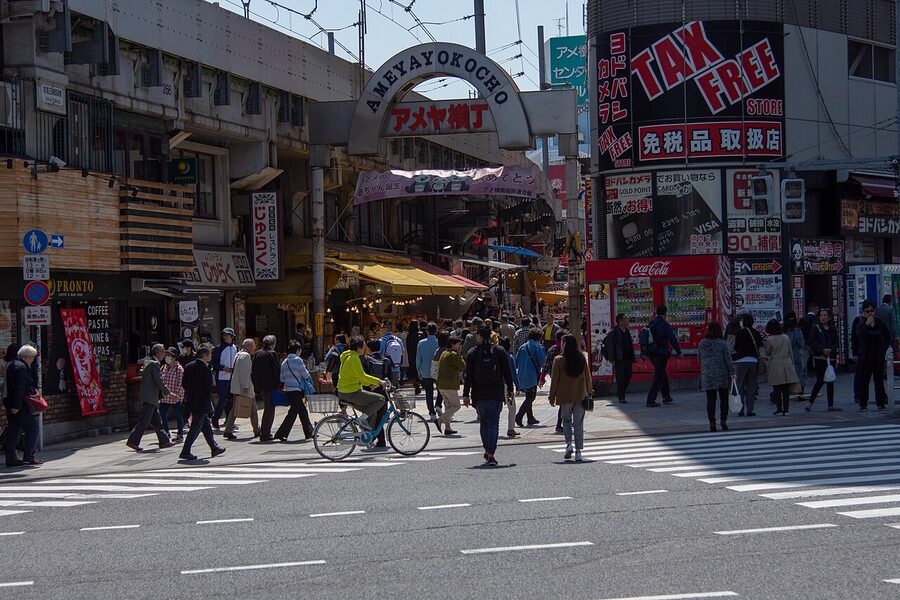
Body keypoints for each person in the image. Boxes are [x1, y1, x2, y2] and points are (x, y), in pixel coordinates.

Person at [465, 326, 514, 467]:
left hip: (479, 393)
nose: (476, 337)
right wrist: (510, 388)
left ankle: (487, 449)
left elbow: (469, 376)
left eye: (477, 335)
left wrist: (466, 394)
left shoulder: (472, 353)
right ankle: (491, 452)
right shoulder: (499, 350)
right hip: (496, 391)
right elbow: (507, 371)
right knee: (494, 423)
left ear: (481, 336)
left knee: (484, 423)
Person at [548, 334, 592, 461]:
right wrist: (589, 391)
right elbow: (587, 377)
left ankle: (568, 445)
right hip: (580, 394)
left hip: (565, 395)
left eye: (562, 342)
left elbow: (555, 380)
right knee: (578, 423)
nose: (561, 345)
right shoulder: (581, 358)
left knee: (566, 421)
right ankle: (578, 452)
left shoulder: (559, 360)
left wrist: (552, 397)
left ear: (565, 344)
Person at [179, 344, 226, 460]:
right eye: (209, 354)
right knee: (195, 427)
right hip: (201, 402)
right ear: (204, 355)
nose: (211, 356)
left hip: (191, 400)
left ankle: (214, 448)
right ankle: (185, 451)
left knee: (205, 425)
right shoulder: (205, 369)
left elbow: (184, 384)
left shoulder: (189, 366)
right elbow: (207, 388)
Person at [126, 343, 176, 452]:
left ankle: (164, 441)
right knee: (144, 421)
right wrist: (169, 393)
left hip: (151, 398)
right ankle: (133, 441)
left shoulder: (149, 362)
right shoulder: (154, 364)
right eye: (163, 351)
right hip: (150, 398)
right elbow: (159, 381)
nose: (165, 354)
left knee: (157, 421)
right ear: (158, 352)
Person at [336, 337, 386, 430]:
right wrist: (379, 381)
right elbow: (362, 376)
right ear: (358, 348)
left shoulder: (348, 356)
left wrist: (370, 384)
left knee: (371, 412)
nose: (365, 349)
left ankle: (366, 437)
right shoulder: (354, 358)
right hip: (351, 392)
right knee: (381, 399)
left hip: (344, 391)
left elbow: (359, 378)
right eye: (364, 347)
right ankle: (361, 420)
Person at [3, 345, 41, 467]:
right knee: (33, 428)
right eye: (33, 358)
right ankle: (29, 457)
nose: (33, 360)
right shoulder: (22, 368)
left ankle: (11, 458)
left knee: (14, 430)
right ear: (28, 357)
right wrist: (17, 406)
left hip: (10, 403)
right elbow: (20, 388)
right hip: (20, 406)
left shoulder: (12, 365)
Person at [854, 299, 893, 411]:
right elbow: (858, 337)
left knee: (879, 381)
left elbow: (887, 336)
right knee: (864, 381)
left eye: (872, 310)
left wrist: (884, 349)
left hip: (878, 357)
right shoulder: (859, 322)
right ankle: (863, 404)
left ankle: (880, 403)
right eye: (867, 311)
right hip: (864, 357)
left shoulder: (879, 323)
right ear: (863, 312)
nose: (870, 313)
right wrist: (866, 324)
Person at [274, 340, 315, 442]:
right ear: (297, 350)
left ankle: (309, 432)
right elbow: (305, 374)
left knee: (302, 411)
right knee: (293, 412)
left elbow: (282, 378)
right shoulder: (298, 360)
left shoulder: (284, 362)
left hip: (288, 390)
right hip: (297, 389)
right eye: (300, 350)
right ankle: (281, 433)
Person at [698, 321, 734, 432]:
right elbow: (728, 359)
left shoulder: (702, 343)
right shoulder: (722, 343)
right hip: (722, 373)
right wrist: (733, 372)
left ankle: (712, 423)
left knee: (711, 400)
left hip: (708, 374)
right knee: (724, 398)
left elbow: (699, 359)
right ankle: (723, 420)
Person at [645, 305, 682, 407]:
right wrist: (678, 352)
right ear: (665, 313)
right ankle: (651, 399)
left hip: (652, 352)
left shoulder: (651, 323)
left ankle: (666, 396)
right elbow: (672, 339)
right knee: (658, 376)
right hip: (661, 353)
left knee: (662, 373)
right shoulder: (664, 324)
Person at [224, 339, 260, 440]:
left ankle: (228, 430)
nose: (254, 348)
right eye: (253, 345)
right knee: (252, 409)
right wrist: (245, 386)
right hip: (244, 388)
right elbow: (244, 372)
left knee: (236, 409)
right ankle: (256, 430)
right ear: (248, 346)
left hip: (237, 387)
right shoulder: (246, 356)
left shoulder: (239, 354)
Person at [805, 309, 840, 412]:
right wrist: (822, 350)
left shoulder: (833, 328)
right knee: (820, 381)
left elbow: (836, 342)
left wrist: (831, 350)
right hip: (820, 357)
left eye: (825, 315)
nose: (823, 317)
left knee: (830, 380)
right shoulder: (815, 328)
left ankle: (830, 405)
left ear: (829, 317)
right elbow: (812, 342)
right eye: (821, 315)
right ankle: (810, 403)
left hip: (830, 357)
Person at [764, 319, 799, 416]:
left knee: (777, 388)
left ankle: (779, 409)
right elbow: (790, 352)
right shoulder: (785, 337)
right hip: (786, 363)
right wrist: (792, 364)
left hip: (775, 364)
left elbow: (767, 352)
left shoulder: (769, 339)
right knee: (786, 389)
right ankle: (786, 409)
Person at [732, 313, 763, 417]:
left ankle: (740, 409)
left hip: (741, 361)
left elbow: (735, 348)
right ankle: (750, 410)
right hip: (753, 361)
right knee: (751, 386)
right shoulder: (756, 333)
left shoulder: (739, 333)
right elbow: (759, 345)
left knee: (739, 385)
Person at [514, 328, 546, 427]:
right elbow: (542, 362)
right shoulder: (538, 347)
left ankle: (530, 417)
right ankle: (519, 416)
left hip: (522, 374)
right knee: (531, 397)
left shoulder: (522, 347)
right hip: (532, 375)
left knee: (528, 395)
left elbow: (516, 362)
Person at [251, 335, 280, 442]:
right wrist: (280, 384)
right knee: (269, 409)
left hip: (261, 385)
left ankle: (264, 431)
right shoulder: (272, 354)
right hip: (270, 385)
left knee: (268, 408)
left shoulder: (258, 353)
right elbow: (276, 371)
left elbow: (254, 370)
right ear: (273, 344)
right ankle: (265, 433)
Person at [436, 336, 466, 435]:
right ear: (453, 344)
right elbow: (463, 365)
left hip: (441, 384)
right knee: (456, 406)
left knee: (448, 407)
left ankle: (448, 428)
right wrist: (459, 354)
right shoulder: (453, 355)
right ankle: (440, 420)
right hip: (450, 384)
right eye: (458, 344)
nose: (459, 346)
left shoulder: (444, 353)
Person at [604, 313, 635, 404]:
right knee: (620, 378)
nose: (628, 320)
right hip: (619, 359)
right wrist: (612, 359)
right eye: (626, 319)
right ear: (620, 321)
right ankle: (621, 396)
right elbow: (609, 347)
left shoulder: (627, 331)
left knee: (628, 376)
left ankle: (619, 392)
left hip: (628, 358)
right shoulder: (614, 332)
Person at [211, 327, 237, 430]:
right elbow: (214, 362)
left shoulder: (235, 347)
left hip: (233, 377)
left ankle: (229, 420)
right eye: (224, 335)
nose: (225, 337)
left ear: (232, 336)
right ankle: (215, 418)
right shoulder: (219, 348)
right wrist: (222, 368)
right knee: (222, 399)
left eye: (227, 335)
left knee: (230, 399)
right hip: (222, 377)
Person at [159, 347, 185, 442]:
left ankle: (180, 434)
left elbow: (180, 383)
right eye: (167, 355)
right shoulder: (163, 367)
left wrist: (176, 394)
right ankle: (166, 433)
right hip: (165, 396)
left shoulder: (179, 368)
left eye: (170, 356)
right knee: (162, 415)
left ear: (174, 357)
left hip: (175, 396)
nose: (167, 357)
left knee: (178, 415)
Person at [416, 322, 441, 421]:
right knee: (441, 389)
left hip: (425, 369)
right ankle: (438, 404)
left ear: (426, 331)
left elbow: (418, 359)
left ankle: (431, 412)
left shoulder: (421, 343)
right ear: (437, 331)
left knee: (428, 392)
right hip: (438, 370)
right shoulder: (439, 342)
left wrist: (419, 371)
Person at [498, 337, 520, 438]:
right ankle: (511, 429)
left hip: (497, 385)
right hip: (507, 385)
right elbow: (513, 374)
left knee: (497, 407)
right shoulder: (510, 357)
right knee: (512, 407)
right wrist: (517, 385)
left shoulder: (496, 356)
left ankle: (495, 427)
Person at [784, 312, 805, 396]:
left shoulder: (783, 331)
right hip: (795, 355)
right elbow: (801, 343)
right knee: (798, 372)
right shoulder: (797, 331)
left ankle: (788, 390)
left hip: (785, 356)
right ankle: (799, 389)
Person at [379, 321, 404, 387]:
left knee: (387, 389)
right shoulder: (398, 340)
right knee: (394, 387)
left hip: (386, 369)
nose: (380, 329)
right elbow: (402, 352)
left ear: (386, 328)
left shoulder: (382, 341)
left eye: (381, 328)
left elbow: (380, 354)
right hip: (397, 368)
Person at [406, 320, 422, 394]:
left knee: (413, 370)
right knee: (419, 369)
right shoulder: (421, 334)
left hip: (411, 355)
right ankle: (420, 383)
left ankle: (415, 385)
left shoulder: (409, 335)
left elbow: (407, 346)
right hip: (419, 354)